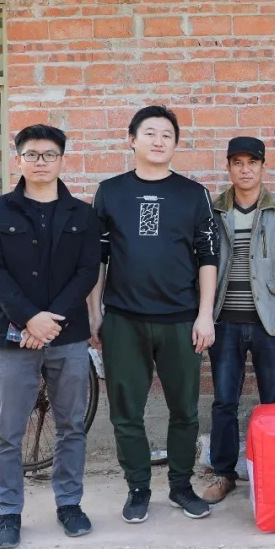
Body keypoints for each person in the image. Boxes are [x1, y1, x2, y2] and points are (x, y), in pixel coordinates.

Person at [87, 105, 219, 523]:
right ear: (132, 140)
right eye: (149, 133)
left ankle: (181, 485)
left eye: (167, 135)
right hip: (123, 318)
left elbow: (208, 257)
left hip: (181, 318)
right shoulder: (110, 192)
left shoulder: (193, 193)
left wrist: (205, 315)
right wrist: (95, 311)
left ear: (175, 143)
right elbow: (97, 257)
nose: (158, 141)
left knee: (185, 410)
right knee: (126, 412)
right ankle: (138, 488)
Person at [0, 124, 100, 549]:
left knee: (71, 425)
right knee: (7, 431)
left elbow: (87, 270)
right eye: (32, 154)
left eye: (49, 154)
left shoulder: (82, 214)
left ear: (62, 160)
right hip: (13, 335)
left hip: (68, 335)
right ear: (19, 159)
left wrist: (50, 322)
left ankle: (69, 503)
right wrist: (30, 319)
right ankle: (8, 512)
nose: (40, 162)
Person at [202, 136, 275, 504]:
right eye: (238, 163)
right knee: (223, 401)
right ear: (228, 167)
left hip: (270, 322)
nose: (245, 170)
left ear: (263, 167)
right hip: (224, 321)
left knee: (273, 401)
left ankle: (274, 470)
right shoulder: (213, 209)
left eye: (252, 163)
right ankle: (223, 473)